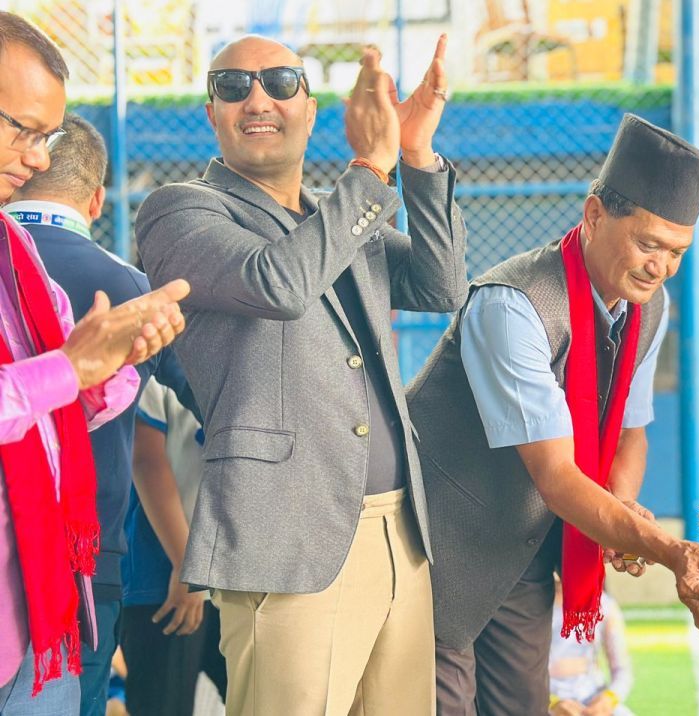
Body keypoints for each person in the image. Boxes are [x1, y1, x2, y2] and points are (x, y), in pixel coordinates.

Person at [135, 34, 466, 715]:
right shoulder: (179, 210)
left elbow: (440, 286)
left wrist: (414, 155)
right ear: (212, 114)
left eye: (281, 83)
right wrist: (369, 171)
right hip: (286, 541)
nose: (258, 100)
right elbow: (277, 284)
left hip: (399, 531)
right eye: (233, 87)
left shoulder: (335, 213)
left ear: (310, 110)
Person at [406, 113, 699, 715]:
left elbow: (631, 431)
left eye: (676, 252)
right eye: (648, 244)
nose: (660, 267)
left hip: (522, 553)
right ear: (593, 215)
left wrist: (620, 508)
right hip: (437, 547)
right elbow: (557, 475)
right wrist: (671, 552)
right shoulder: (513, 304)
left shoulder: (649, 305)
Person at [0, 11, 188, 713]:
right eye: (24, 130)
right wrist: (72, 370)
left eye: (46, 138)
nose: (37, 160)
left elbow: (54, 401)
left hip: (39, 605)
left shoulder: (16, 251)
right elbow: (50, 381)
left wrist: (113, 363)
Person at [121, 376, 226, 715]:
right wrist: (185, 564)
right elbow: (145, 459)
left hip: (229, 572)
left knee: (261, 697)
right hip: (166, 574)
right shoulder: (155, 365)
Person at [549, 579, 633, 716]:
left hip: (593, 699)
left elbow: (622, 670)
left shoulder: (605, 605)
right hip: (546, 700)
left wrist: (608, 699)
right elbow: (521, 674)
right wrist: (552, 704)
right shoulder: (530, 606)